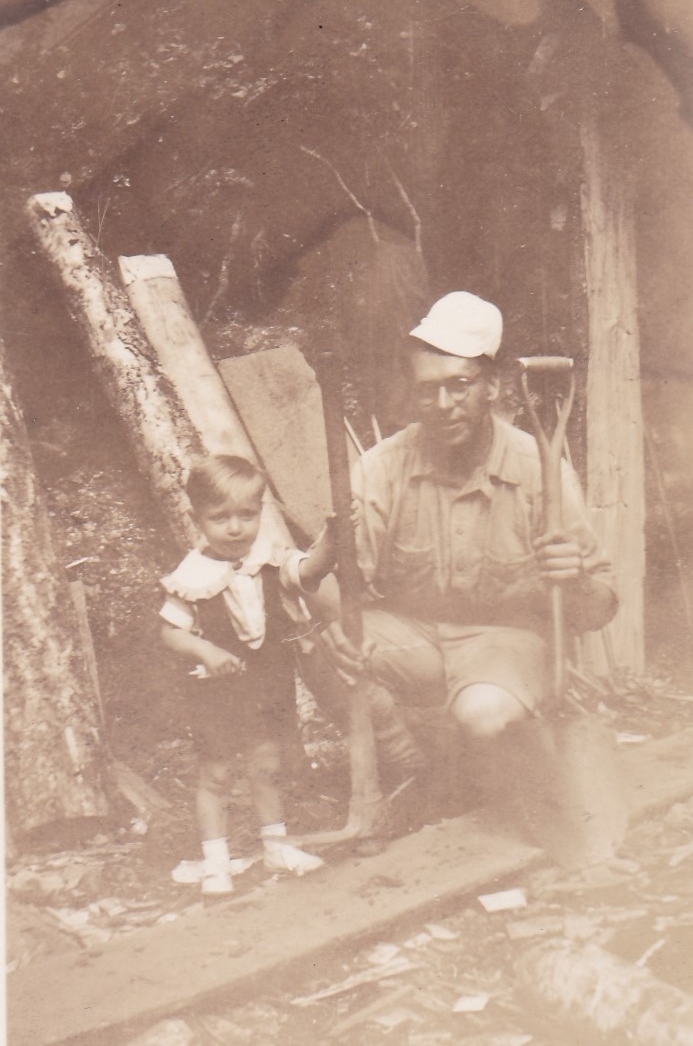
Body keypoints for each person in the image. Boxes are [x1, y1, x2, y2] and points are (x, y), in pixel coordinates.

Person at [319, 291, 617, 774]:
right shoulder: (382, 467)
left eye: (460, 385)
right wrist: (335, 625)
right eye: (426, 389)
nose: (442, 404)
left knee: (482, 718)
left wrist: (576, 578)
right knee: (317, 645)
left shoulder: (541, 469)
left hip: (506, 644)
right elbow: (339, 576)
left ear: (492, 387)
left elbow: (600, 607)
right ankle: (412, 766)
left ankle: (484, 755)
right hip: (414, 639)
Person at [160, 454, 335, 895]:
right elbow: (169, 633)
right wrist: (204, 647)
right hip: (215, 691)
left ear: (261, 512)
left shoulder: (271, 561)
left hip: (265, 683)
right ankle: (215, 860)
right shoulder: (191, 577)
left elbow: (311, 571)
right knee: (216, 774)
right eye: (219, 518)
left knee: (267, 765)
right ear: (195, 517)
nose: (235, 528)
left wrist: (334, 538)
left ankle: (276, 846)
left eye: (247, 515)